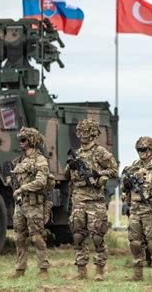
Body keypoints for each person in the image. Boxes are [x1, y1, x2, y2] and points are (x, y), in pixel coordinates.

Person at [65, 118, 118, 281]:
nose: (81, 135)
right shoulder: (78, 153)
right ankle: (81, 271)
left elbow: (114, 170)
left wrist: (98, 174)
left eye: (85, 132)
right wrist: (70, 167)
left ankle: (99, 270)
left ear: (93, 133)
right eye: (79, 132)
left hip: (95, 200)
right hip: (78, 199)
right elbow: (67, 176)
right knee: (78, 236)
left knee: (97, 236)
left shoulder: (101, 152)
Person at [122, 136, 152, 281]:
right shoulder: (133, 167)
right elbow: (125, 188)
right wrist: (126, 183)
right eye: (139, 150)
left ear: (151, 150)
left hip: (151, 210)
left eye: (144, 149)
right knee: (135, 243)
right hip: (135, 209)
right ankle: (138, 274)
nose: (141, 152)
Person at [10, 127, 51, 279]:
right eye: (20, 140)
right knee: (19, 237)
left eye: (24, 140)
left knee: (36, 237)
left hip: (34, 204)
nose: (21, 143)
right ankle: (20, 270)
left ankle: (43, 269)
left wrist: (22, 189)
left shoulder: (40, 160)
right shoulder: (20, 160)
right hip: (20, 204)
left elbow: (41, 182)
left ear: (32, 141)